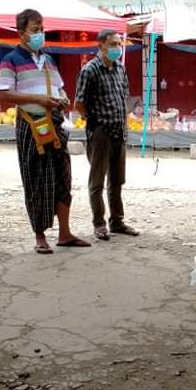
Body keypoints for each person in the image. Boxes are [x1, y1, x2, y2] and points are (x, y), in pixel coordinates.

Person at [0, 9, 89, 254]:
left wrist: (63, 98)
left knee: (63, 177)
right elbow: (4, 94)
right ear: (21, 33)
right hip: (30, 125)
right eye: (35, 30)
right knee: (35, 178)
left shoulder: (48, 60)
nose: (40, 34)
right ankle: (40, 236)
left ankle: (65, 233)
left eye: (42, 29)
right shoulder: (10, 59)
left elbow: (59, 87)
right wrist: (39, 100)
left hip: (54, 123)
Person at [75, 29, 139, 241]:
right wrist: (96, 121)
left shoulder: (120, 68)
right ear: (101, 45)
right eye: (112, 44)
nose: (117, 48)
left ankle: (117, 221)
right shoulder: (90, 70)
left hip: (119, 131)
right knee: (97, 181)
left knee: (117, 180)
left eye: (119, 44)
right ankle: (99, 224)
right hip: (100, 132)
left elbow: (124, 96)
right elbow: (79, 104)